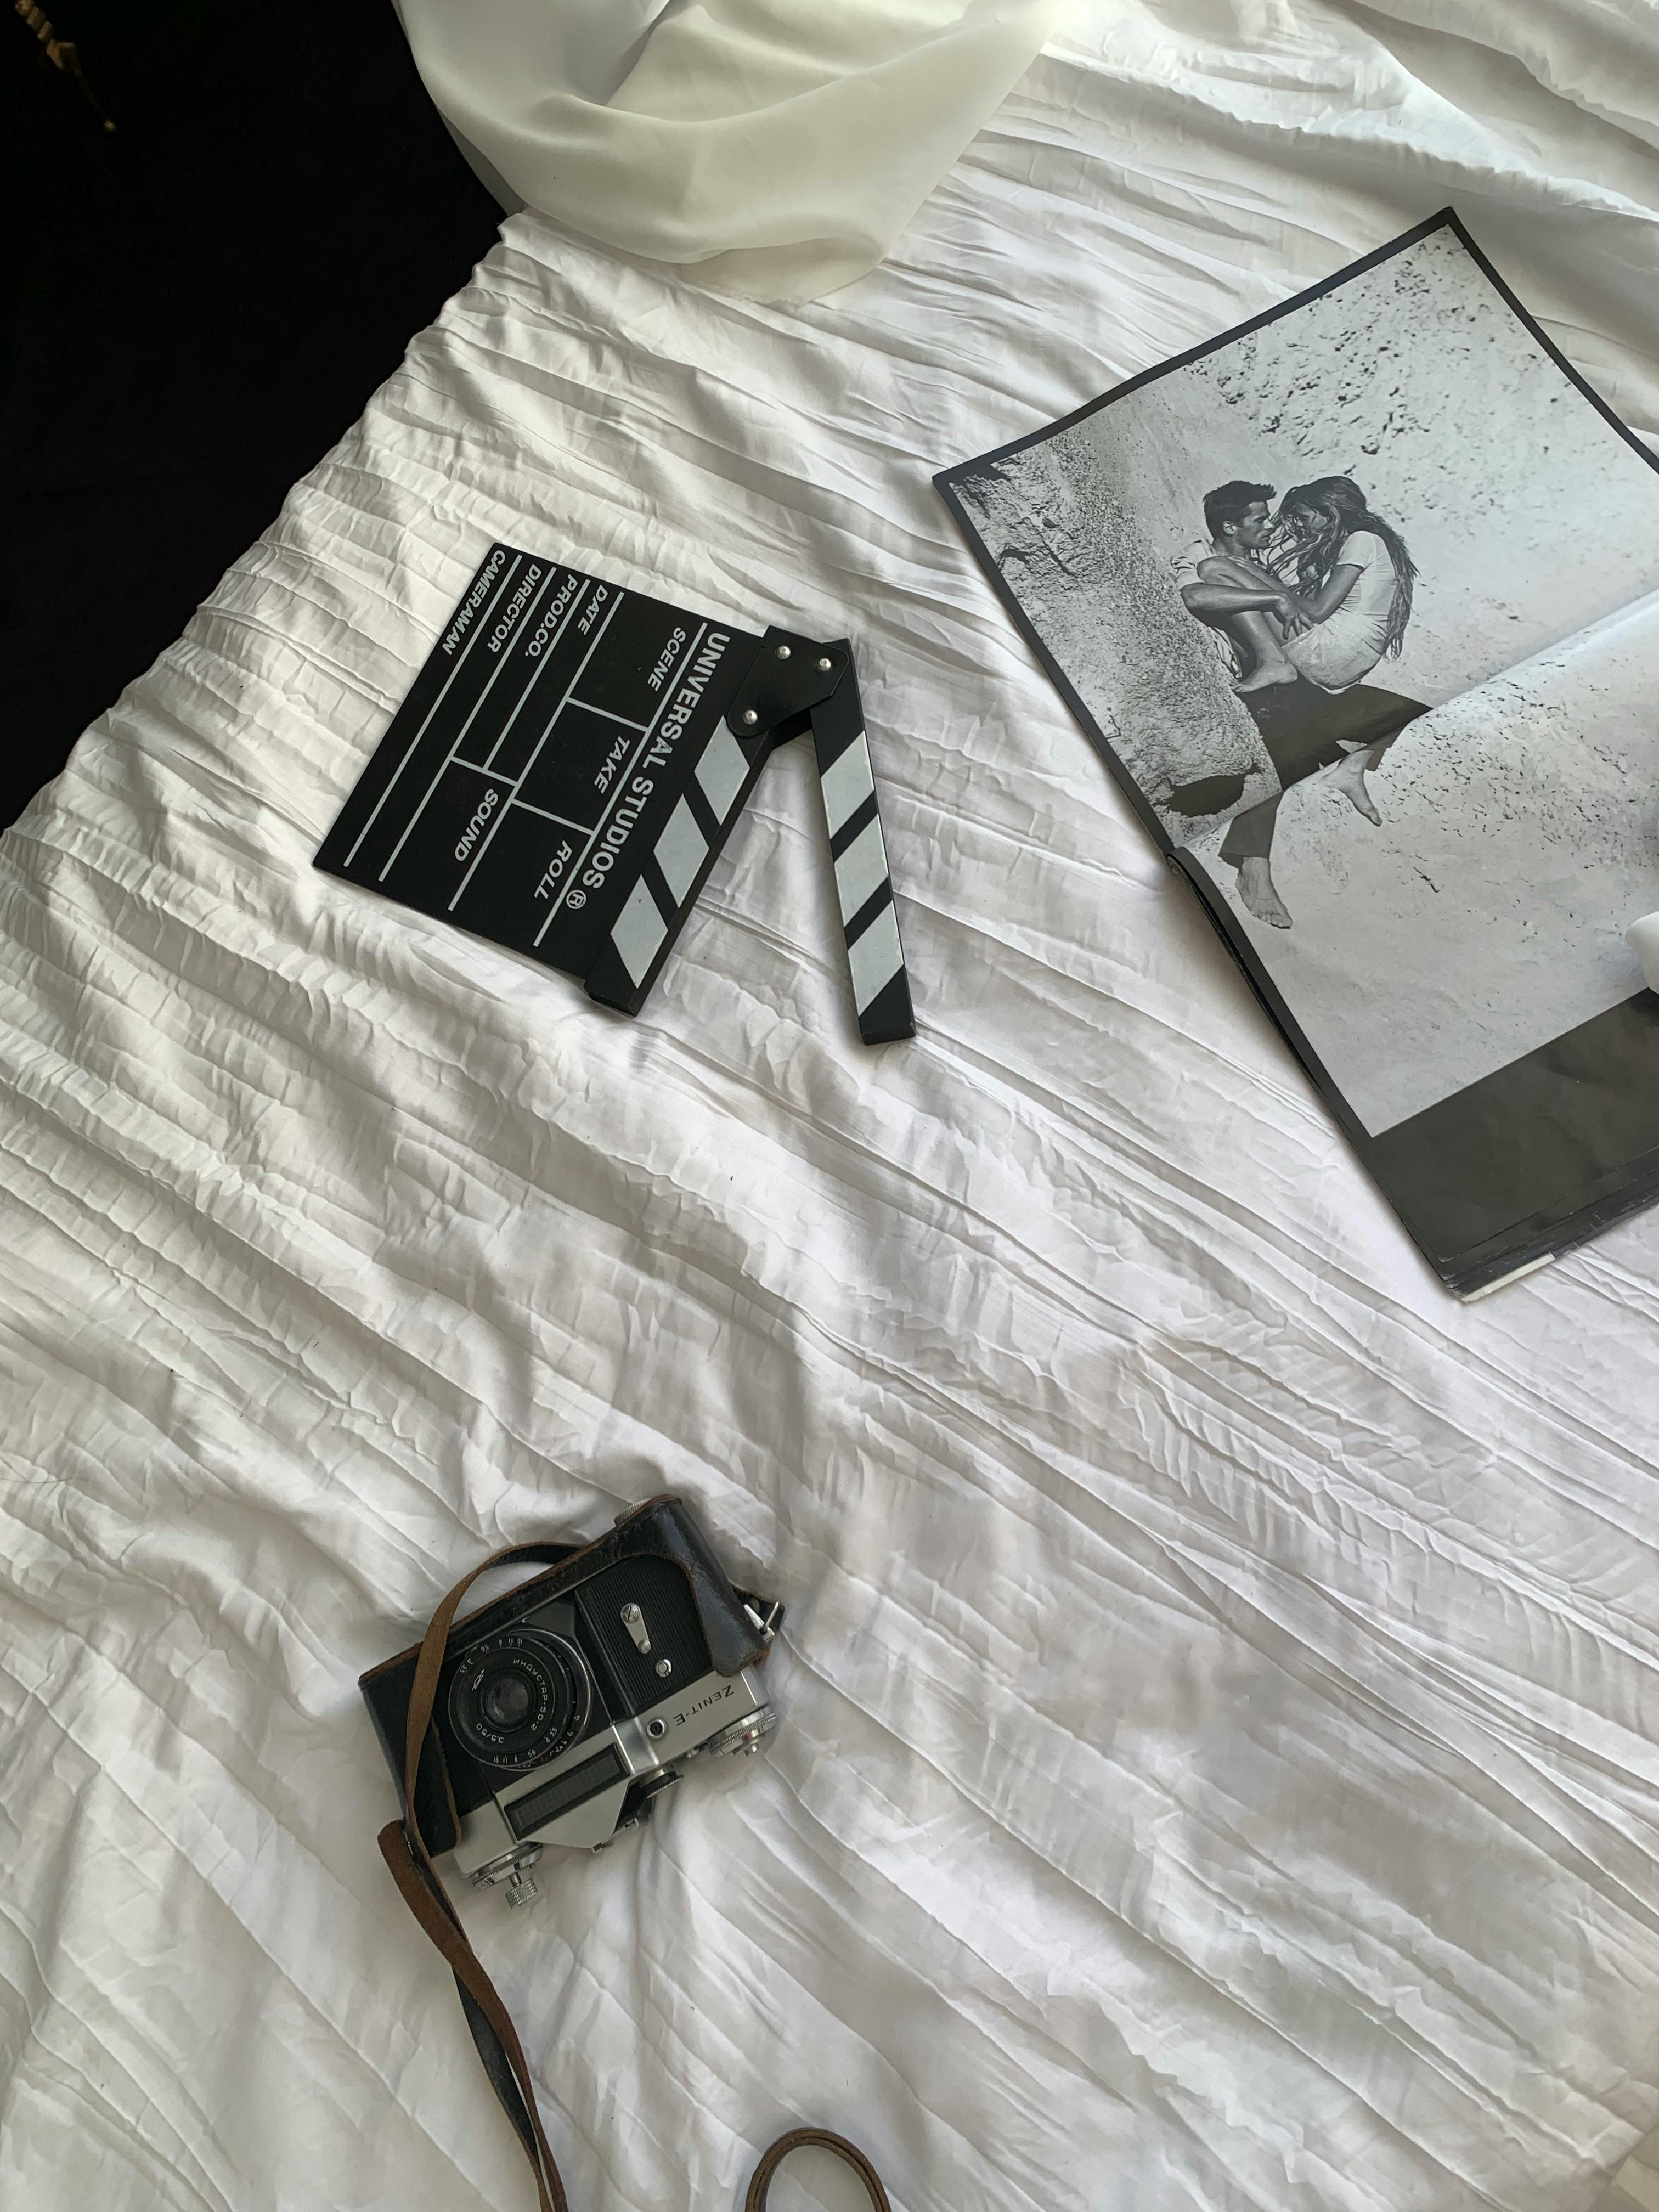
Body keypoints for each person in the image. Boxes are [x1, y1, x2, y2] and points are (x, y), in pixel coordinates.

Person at [1171, 476, 1427, 928]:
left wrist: (1276, 589)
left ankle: (1254, 862)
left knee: (1288, 743)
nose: (1278, 529)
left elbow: (1312, 612)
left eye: (1293, 518)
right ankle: (1258, 861)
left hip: (1298, 672)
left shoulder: (1348, 544)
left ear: (1329, 512)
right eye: (1263, 520)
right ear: (1232, 526)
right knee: (1298, 749)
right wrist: (1270, 592)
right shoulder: (1201, 555)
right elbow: (1195, 591)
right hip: (1306, 676)